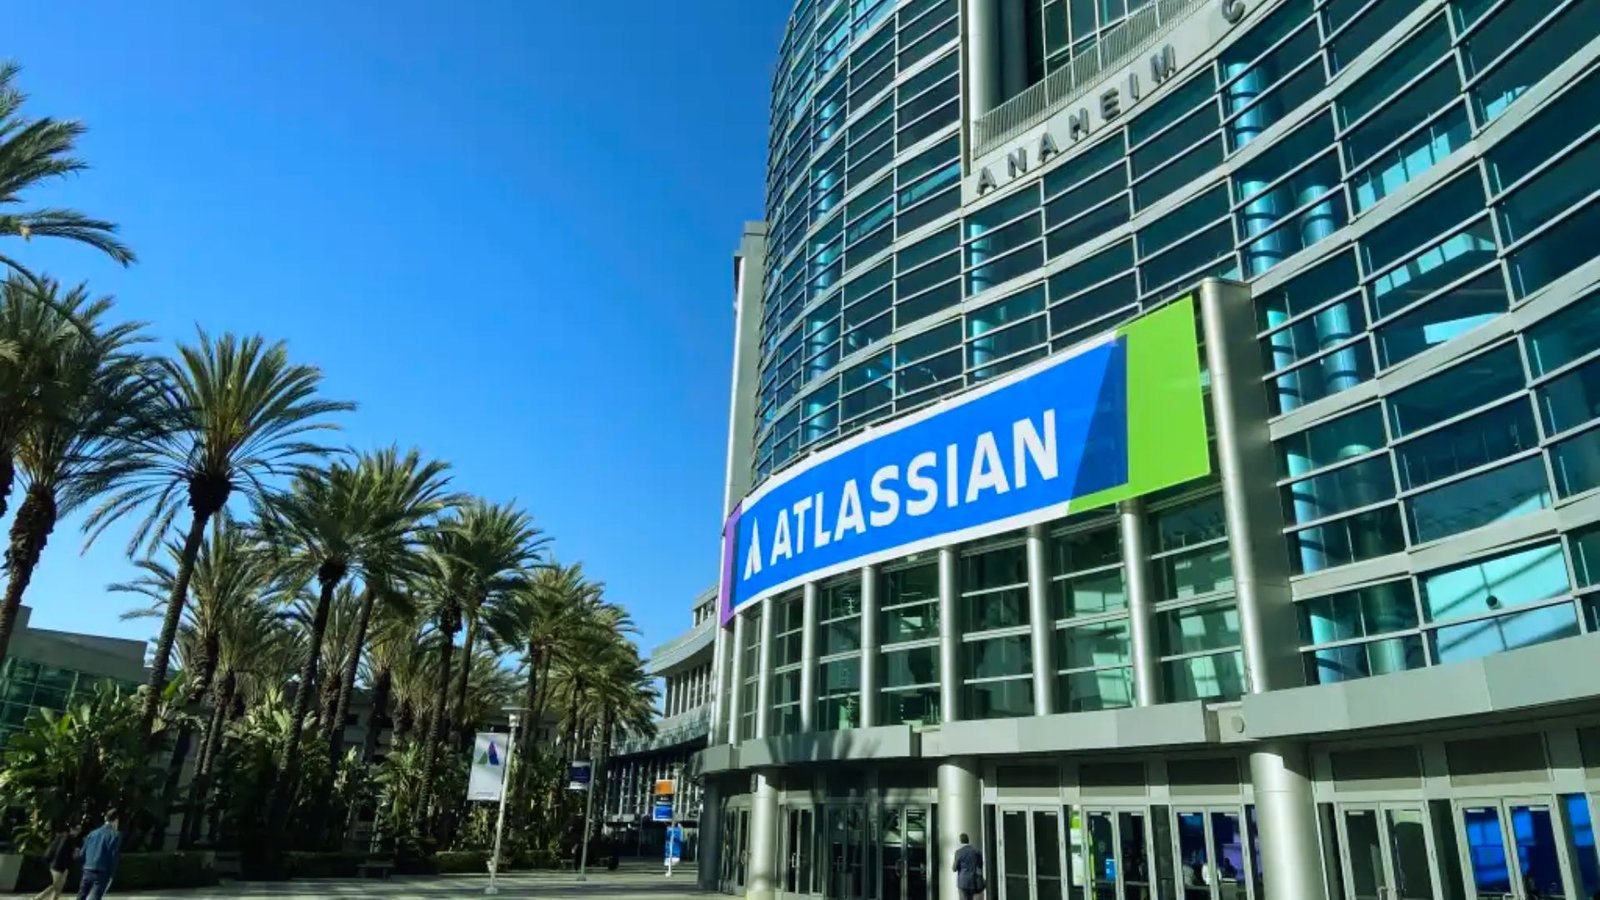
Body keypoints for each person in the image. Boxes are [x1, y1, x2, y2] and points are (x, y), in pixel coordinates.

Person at [76, 810, 121, 900]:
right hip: (101, 872)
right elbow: (113, 857)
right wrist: (111, 875)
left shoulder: (92, 834)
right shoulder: (114, 835)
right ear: (116, 821)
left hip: (87, 869)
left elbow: (82, 853)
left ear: (105, 819)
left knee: (81, 897)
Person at [33, 822, 80, 900]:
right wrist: (76, 853)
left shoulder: (64, 837)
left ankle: (46, 898)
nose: (78, 831)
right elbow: (61, 853)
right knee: (56, 886)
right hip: (58, 866)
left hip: (60, 866)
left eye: (79, 830)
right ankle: (38, 898)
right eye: (77, 829)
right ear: (72, 829)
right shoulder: (68, 838)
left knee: (58, 887)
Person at [952, 833, 985, 900]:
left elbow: (954, 868)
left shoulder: (959, 852)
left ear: (960, 841)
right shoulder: (975, 851)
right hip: (972, 880)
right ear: (968, 840)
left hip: (962, 882)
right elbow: (980, 864)